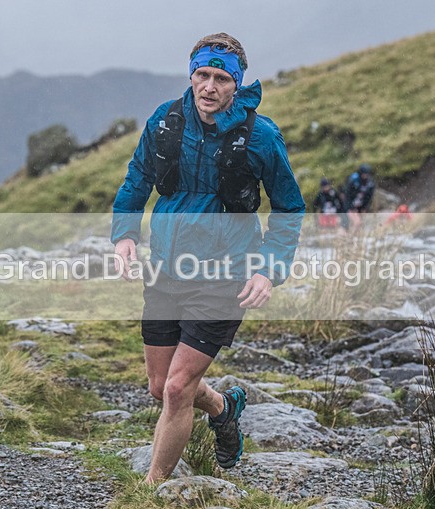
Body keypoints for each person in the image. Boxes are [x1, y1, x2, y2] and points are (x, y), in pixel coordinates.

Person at [110, 33, 304, 483]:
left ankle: (151, 493)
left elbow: (290, 208)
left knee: (178, 388)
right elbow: (137, 179)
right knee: (160, 388)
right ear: (191, 75)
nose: (209, 87)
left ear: (236, 84)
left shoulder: (261, 136)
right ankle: (223, 405)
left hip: (225, 277)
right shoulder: (165, 122)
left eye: (221, 78)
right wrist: (124, 236)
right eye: (202, 75)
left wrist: (269, 270)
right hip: (165, 269)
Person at [344, 163, 376, 230]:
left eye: (367, 174)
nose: (366, 176)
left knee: (359, 224)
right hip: (350, 206)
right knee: (356, 222)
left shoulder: (370, 183)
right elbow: (347, 195)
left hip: (360, 206)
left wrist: (365, 207)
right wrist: (351, 207)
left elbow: (369, 197)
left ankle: (355, 237)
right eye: (364, 174)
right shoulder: (353, 180)